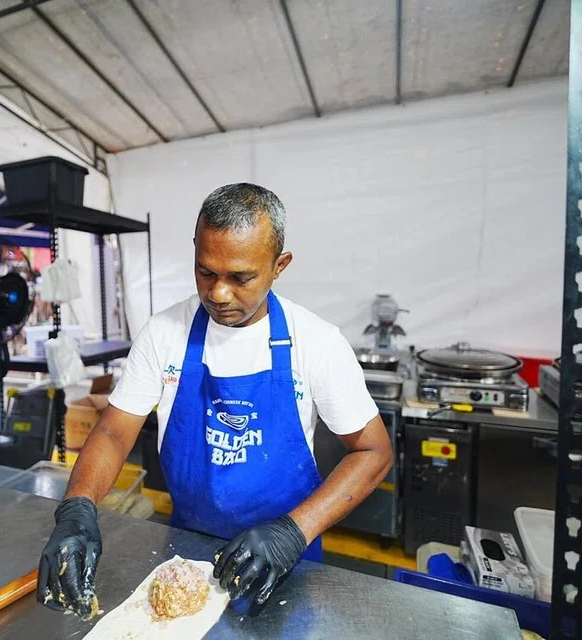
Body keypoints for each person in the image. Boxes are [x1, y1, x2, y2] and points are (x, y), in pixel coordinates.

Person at [38, 183, 394, 616]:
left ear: (279, 265)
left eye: (240, 277)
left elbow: (373, 452)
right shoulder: (165, 333)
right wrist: (78, 507)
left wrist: (291, 534)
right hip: (187, 550)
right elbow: (114, 431)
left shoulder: (316, 343)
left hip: (286, 557)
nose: (219, 293)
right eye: (206, 272)